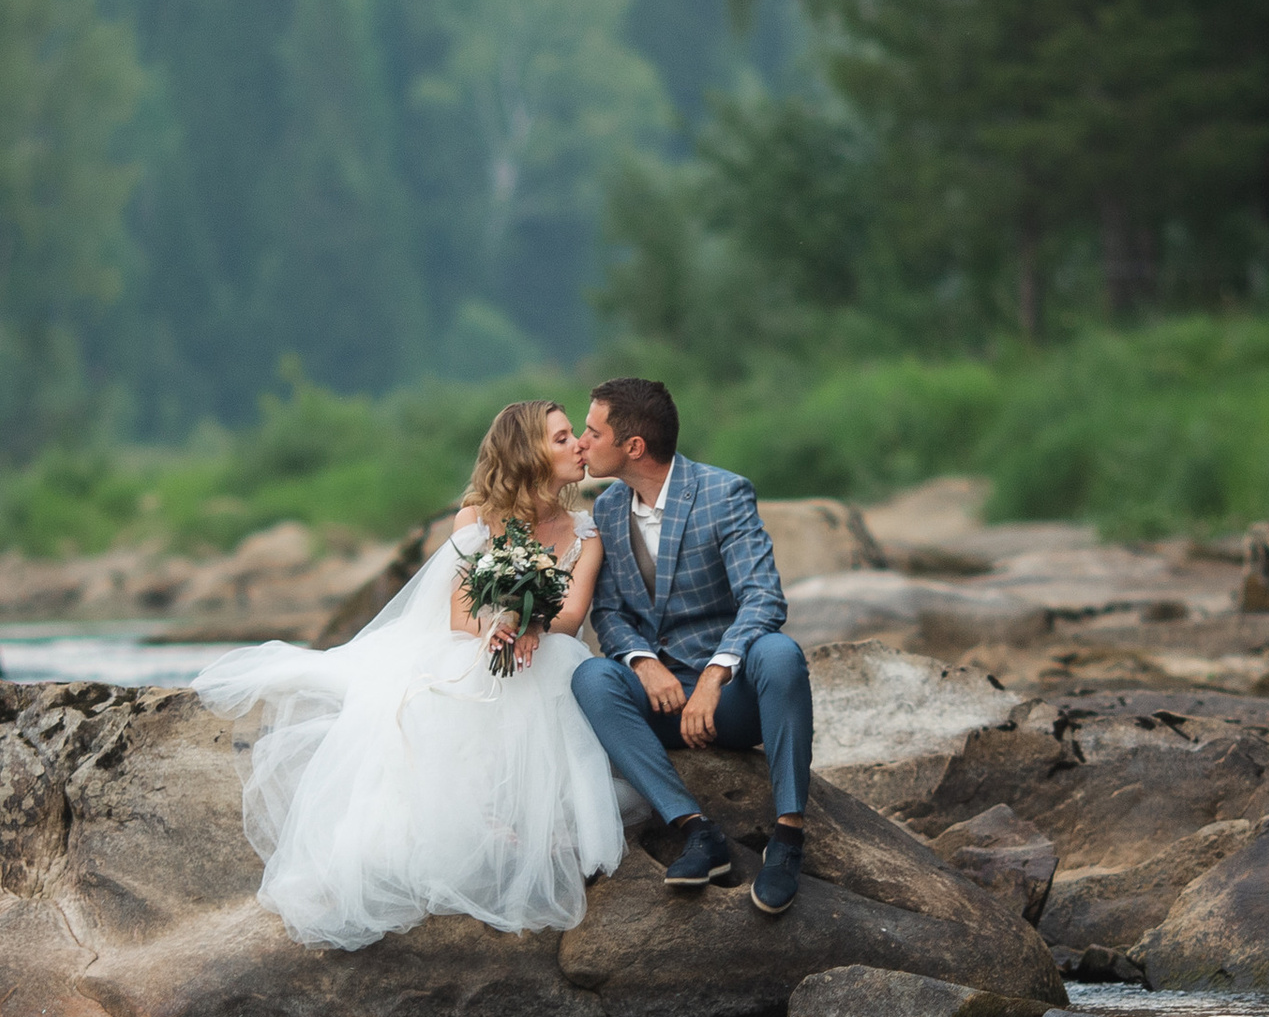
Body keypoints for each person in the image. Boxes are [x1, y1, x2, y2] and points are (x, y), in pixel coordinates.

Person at [193, 399, 625, 949]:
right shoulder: (477, 519)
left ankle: (533, 817)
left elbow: (570, 617)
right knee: (458, 683)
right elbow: (458, 615)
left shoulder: (586, 534)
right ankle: (482, 818)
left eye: (574, 436)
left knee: (558, 664)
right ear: (528, 453)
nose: (578, 447)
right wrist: (500, 624)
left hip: (546, 650)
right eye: (562, 439)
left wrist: (531, 619)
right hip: (478, 644)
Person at [569, 376, 815, 915]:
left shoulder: (723, 493)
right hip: (659, 702)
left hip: (730, 702)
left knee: (780, 652)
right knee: (591, 677)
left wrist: (713, 676)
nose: (581, 442)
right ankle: (697, 829)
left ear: (632, 446)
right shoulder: (607, 511)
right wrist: (644, 662)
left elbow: (763, 598)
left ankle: (789, 836)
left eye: (591, 430)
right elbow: (608, 612)